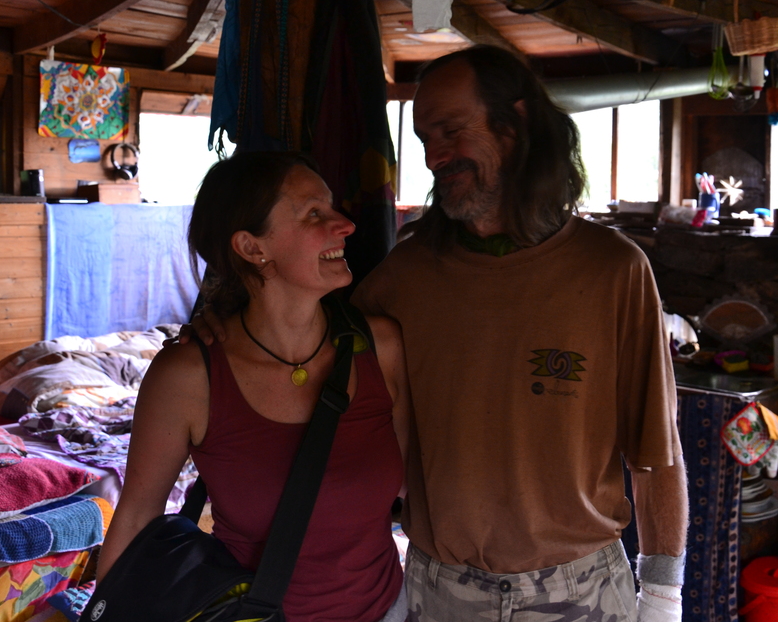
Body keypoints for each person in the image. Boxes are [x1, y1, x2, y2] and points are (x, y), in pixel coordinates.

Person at [191, 47, 688, 622]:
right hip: (442, 588)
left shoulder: (613, 270)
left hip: (580, 589)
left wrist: (662, 597)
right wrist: (221, 315)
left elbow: (656, 454)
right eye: (425, 139)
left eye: (451, 131)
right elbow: (301, 336)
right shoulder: (407, 274)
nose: (434, 157)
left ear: (515, 122)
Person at [100, 152, 409, 622]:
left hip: (389, 610)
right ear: (251, 247)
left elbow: (416, 486)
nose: (345, 224)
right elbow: (137, 517)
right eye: (314, 213)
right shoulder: (189, 377)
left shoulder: (380, 347)